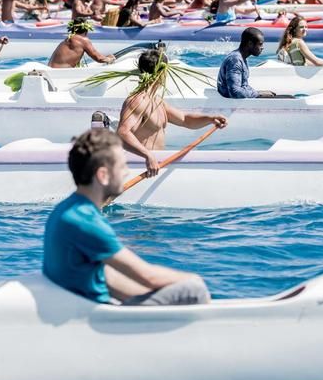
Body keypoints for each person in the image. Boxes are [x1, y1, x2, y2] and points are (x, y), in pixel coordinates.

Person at [43, 128, 210, 305]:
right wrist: (194, 278)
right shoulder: (86, 222)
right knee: (194, 290)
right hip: (99, 317)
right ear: (103, 175)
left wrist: (148, 292)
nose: (126, 172)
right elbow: (149, 277)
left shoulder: (67, 209)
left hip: (84, 301)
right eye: (122, 166)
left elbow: (105, 276)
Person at [116, 48, 228, 177]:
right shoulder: (138, 101)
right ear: (162, 73)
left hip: (156, 165)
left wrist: (210, 119)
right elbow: (122, 133)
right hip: (142, 167)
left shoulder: (157, 101)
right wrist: (147, 155)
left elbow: (185, 120)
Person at [216, 28, 276, 98]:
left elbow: (243, 85)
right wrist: (258, 94)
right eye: (260, 44)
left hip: (234, 99)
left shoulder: (241, 58)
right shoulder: (235, 60)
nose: (262, 47)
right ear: (250, 44)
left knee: (285, 96)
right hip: (229, 102)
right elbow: (235, 92)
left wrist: (259, 92)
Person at [48, 18, 116, 68]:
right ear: (86, 29)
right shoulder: (83, 40)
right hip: (58, 73)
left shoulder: (68, 39)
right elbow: (99, 58)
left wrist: (105, 57)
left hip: (50, 69)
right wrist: (110, 59)